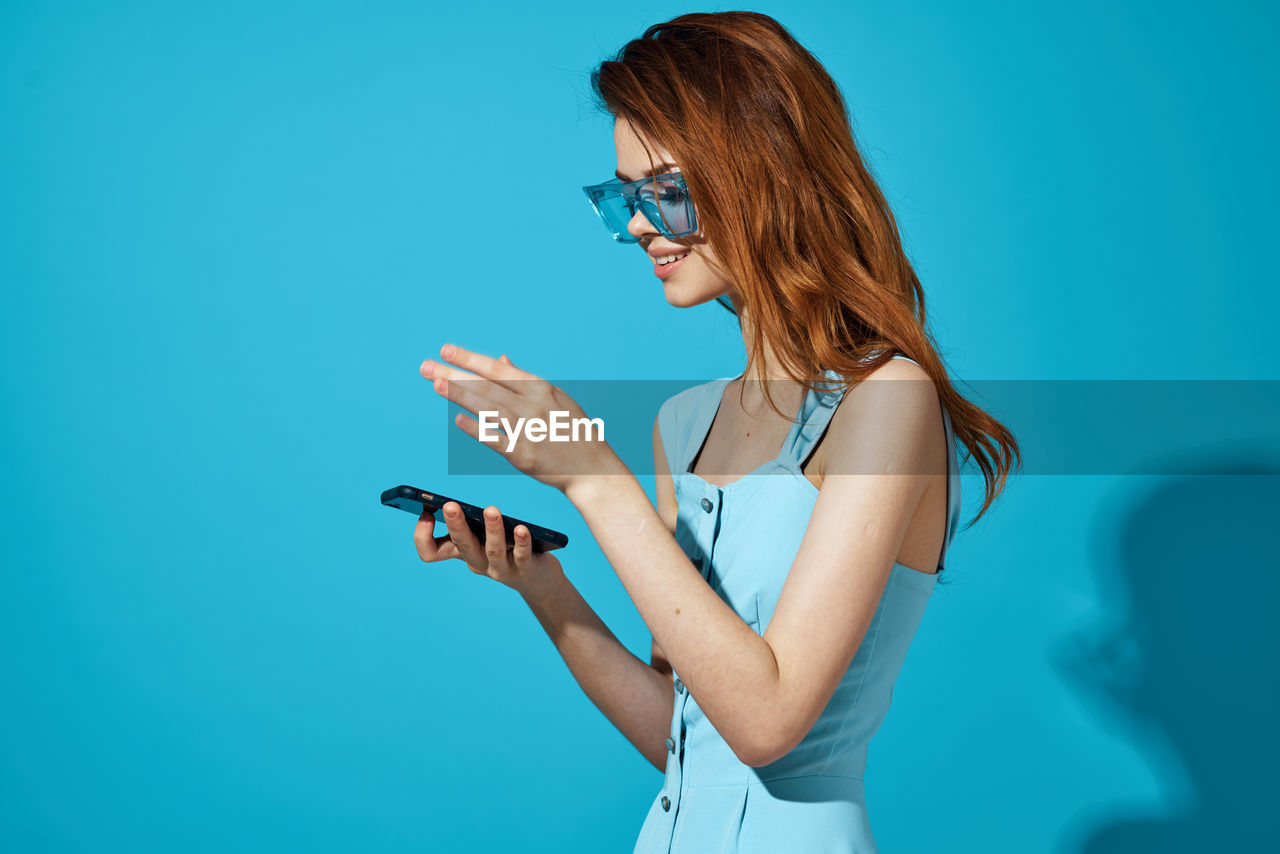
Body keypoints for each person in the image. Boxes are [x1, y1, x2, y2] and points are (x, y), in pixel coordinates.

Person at [415, 11, 1020, 852]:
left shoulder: (890, 400)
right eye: (624, 196)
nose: (636, 226)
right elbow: (686, 738)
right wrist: (544, 591)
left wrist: (594, 479)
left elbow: (768, 724)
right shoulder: (684, 422)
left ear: (765, 172)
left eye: (665, 191)